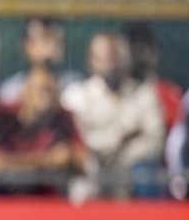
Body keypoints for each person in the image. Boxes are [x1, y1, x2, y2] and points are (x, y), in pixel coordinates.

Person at [61, 32, 165, 198]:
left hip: (129, 172)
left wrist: (122, 155)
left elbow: (155, 141)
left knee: (147, 175)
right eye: (102, 57)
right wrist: (120, 138)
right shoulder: (76, 97)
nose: (109, 64)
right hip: (89, 173)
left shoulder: (144, 95)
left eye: (114, 56)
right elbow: (76, 141)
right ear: (91, 60)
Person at [0, 65, 83, 194]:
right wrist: (46, 160)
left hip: (47, 197)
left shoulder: (62, 118)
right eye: (42, 90)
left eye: (52, 91)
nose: (47, 97)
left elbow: (72, 159)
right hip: (5, 195)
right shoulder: (3, 116)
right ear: (26, 92)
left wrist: (10, 162)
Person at [0, 17, 79, 107]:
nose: (51, 46)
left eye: (56, 39)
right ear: (26, 45)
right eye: (44, 39)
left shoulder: (76, 88)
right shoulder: (11, 92)